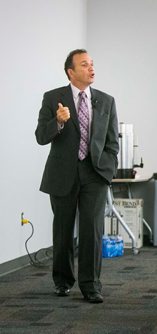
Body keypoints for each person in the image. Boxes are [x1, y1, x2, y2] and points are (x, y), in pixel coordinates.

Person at [35, 49, 119, 304]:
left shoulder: (106, 101)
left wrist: (108, 170)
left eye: (92, 63)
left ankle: (91, 285)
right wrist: (58, 123)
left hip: (94, 174)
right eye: (84, 64)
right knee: (62, 230)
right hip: (62, 173)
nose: (91, 68)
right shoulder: (53, 98)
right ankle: (63, 281)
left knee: (92, 230)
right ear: (71, 72)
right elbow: (40, 136)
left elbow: (112, 142)